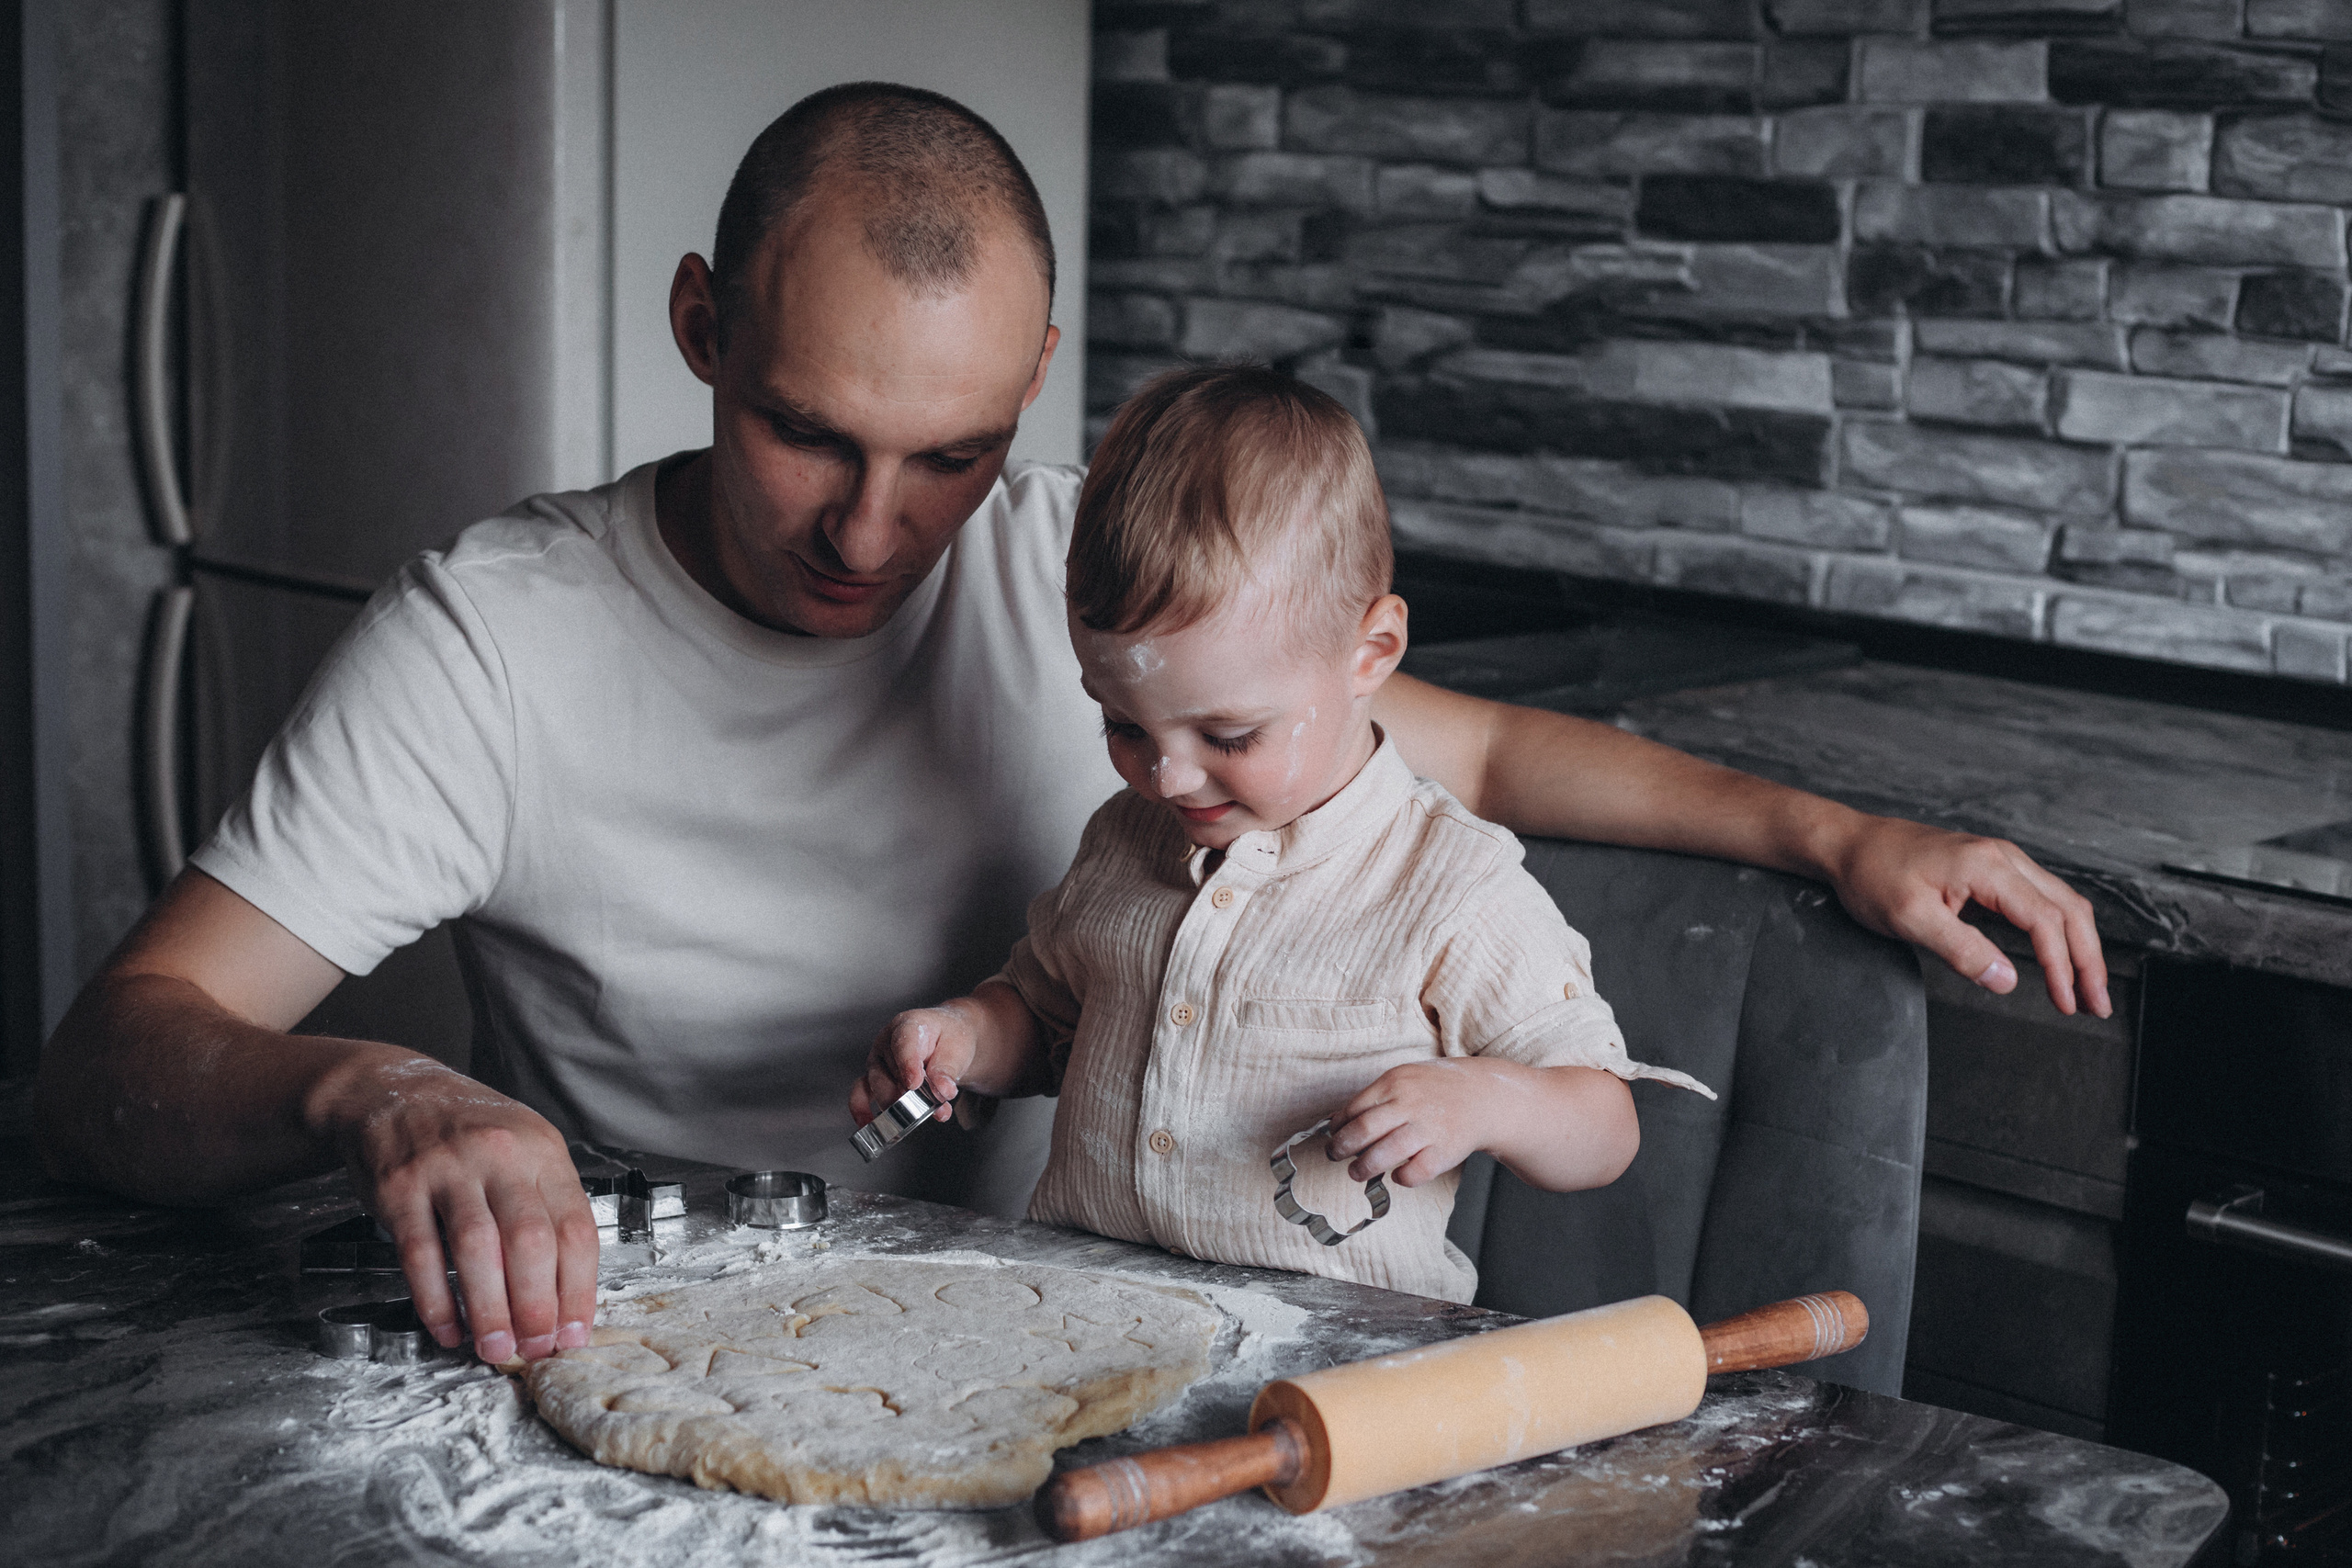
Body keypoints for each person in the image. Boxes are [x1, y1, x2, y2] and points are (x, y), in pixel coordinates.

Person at [34, 83, 2107, 1371]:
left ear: (1035, 376)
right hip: (679, 1348)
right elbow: (117, 1060)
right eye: (802, 432)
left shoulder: (1087, 579)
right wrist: (374, 1089)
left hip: (1093, 1346)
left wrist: (1832, 834)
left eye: (946, 452)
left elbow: (1457, 755)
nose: (871, 530)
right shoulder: (492, 644)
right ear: (699, 330)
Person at [854, 365, 1717, 1303]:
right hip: (1084, 1312)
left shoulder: (1450, 886)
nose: (1168, 776)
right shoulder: (1122, 841)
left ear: (1371, 654)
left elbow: (1604, 1125)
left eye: (1229, 736)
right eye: (1123, 725)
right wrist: (968, 1037)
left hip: (1337, 1365)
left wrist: (1490, 1101)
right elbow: (1052, 1019)